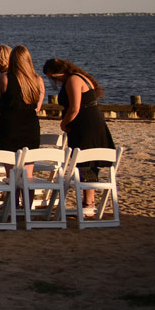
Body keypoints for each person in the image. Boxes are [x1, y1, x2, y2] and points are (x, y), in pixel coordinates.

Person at [45, 57, 114, 214]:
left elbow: (75, 108)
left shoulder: (73, 80)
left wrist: (64, 123)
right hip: (90, 122)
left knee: (85, 161)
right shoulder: (80, 76)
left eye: (52, 77)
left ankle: (88, 202)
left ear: (57, 73)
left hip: (85, 125)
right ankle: (88, 202)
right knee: (88, 162)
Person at [0, 45, 44, 154]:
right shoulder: (38, 80)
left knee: (11, 166)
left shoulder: (5, 79)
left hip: (9, 126)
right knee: (28, 165)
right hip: (31, 127)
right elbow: (37, 107)